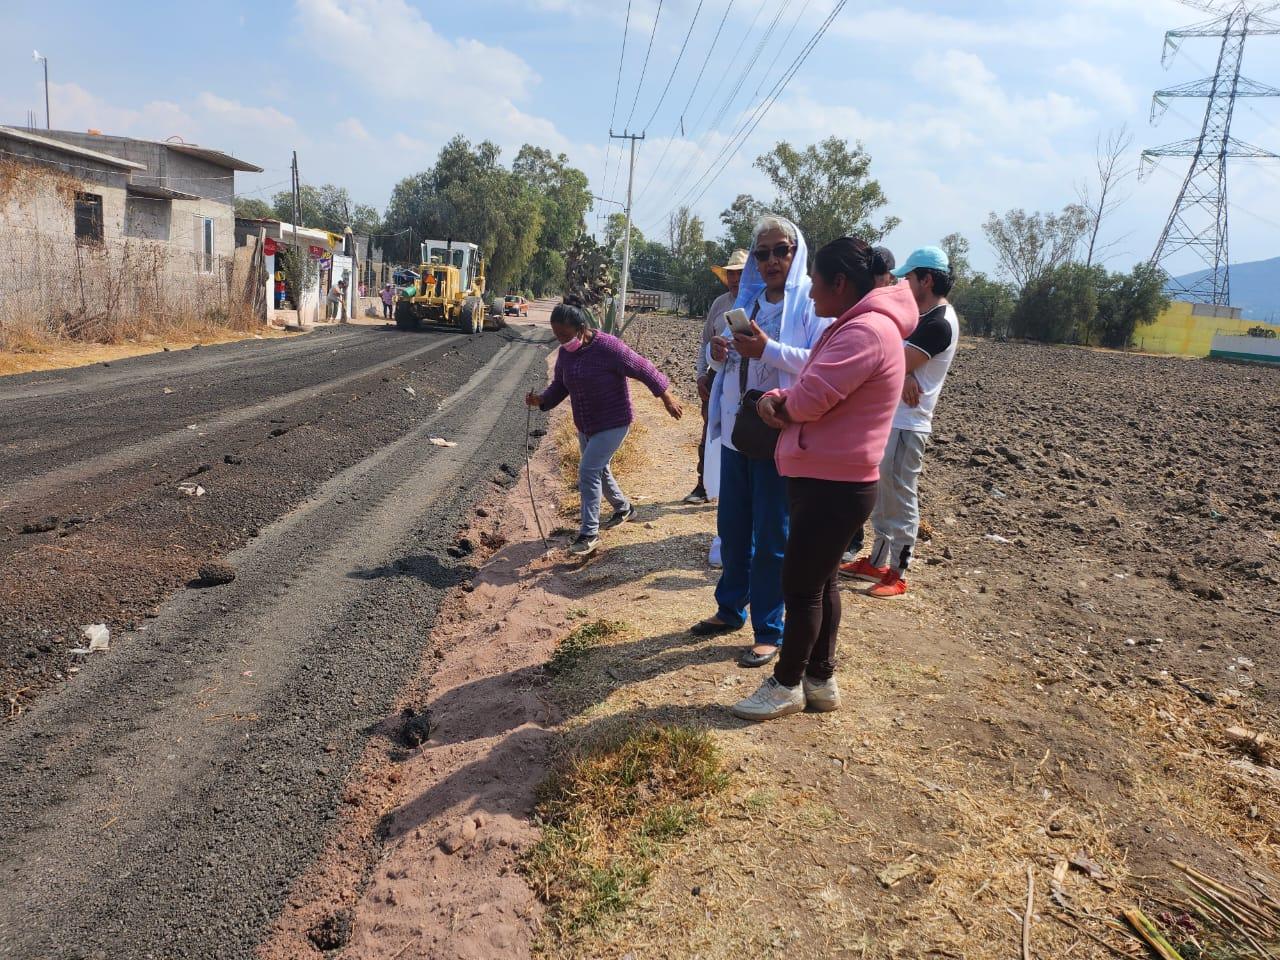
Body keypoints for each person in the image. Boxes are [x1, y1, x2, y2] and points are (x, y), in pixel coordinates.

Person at [729, 237, 919, 721]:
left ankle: (786, 684)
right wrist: (780, 394)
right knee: (822, 582)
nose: (810, 293)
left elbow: (812, 397)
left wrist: (777, 403)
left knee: (801, 586)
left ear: (840, 283)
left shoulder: (866, 332)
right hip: (835, 477)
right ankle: (820, 678)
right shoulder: (863, 326)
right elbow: (819, 380)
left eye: (815, 282)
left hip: (832, 483)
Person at [690, 216, 830, 668]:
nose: (771, 261)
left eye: (780, 250)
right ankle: (730, 608)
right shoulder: (748, 300)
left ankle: (770, 629)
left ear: (796, 252)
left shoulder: (811, 305)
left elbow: (820, 363)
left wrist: (767, 350)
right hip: (738, 433)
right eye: (763, 253)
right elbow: (730, 356)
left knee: (772, 537)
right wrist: (720, 351)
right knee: (732, 531)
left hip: (777, 437)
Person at [840, 246, 959, 598]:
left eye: (909, 276)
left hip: (910, 423)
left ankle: (899, 571)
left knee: (901, 496)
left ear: (927, 279)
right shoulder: (923, 316)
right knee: (882, 492)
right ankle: (876, 561)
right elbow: (897, 358)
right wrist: (902, 372)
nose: (903, 282)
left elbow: (889, 358)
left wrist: (901, 370)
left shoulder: (938, 324)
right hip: (893, 417)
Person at [526, 296, 684, 557]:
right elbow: (560, 386)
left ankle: (589, 534)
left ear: (580, 328)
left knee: (588, 470)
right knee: (600, 470)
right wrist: (542, 400)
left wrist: (666, 397)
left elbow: (643, 367)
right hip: (586, 423)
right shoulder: (566, 354)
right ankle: (624, 509)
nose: (562, 341)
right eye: (557, 336)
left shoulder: (608, 348)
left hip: (613, 421)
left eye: (565, 335)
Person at [687, 248, 748, 506]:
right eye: (730, 273)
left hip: (744, 382)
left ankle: (734, 491)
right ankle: (703, 486)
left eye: (740, 273)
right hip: (715, 378)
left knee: (742, 436)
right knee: (710, 431)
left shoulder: (756, 304)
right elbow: (705, 344)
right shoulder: (719, 303)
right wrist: (701, 375)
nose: (734, 279)